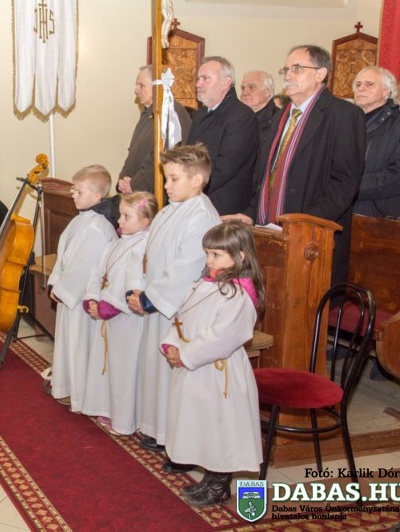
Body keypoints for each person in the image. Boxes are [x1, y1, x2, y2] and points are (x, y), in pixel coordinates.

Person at [226, 45, 366, 285]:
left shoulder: (343, 114)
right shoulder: (282, 115)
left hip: (312, 241)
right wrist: (251, 213)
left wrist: (304, 225)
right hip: (269, 232)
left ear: (320, 73)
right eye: (286, 69)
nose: (288, 75)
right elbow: (266, 175)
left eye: (297, 69)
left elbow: (344, 184)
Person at [160, 221, 264, 507]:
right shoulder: (206, 284)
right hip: (197, 367)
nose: (209, 261)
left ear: (240, 256)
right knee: (204, 424)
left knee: (220, 426)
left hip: (220, 371)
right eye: (207, 253)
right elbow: (182, 316)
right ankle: (210, 476)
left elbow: (223, 336)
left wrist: (186, 354)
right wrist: (172, 343)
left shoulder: (239, 294)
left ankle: (219, 484)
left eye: (216, 255)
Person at [126, 143, 220, 452]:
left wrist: (150, 298)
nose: (166, 185)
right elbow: (146, 254)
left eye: (173, 178)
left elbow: (187, 267)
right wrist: (137, 289)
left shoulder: (202, 216)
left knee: (175, 378)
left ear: (197, 180)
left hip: (180, 310)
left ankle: (180, 442)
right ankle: (159, 429)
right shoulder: (169, 210)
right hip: (158, 303)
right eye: (166, 178)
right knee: (157, 373)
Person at [81, 191, 157, 435]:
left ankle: (125, 418)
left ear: (145, 221)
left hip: (127, 319)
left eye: (126, 216)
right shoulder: (115, 243)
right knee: (107, 363)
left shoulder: (144, 246)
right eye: (120, 215)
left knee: (124, 368)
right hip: (107, 315)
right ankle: (107, 406)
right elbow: (97, 273)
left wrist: (111, 305)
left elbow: (134, 281)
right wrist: (92, 297)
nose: (119, 220)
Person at [48, 165, 118, 410]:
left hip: (83, 299)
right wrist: (56, 281)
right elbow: (64, 255)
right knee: (70, 343)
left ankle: (81, 395)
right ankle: (67, 386)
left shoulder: (97, 227)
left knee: (80, 345)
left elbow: (84, 266)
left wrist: (62, 288)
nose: (73, 195)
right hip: (71, 295)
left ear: (97, 196)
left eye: (79, 191)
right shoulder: (82, 220)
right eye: (73, 190)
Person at [186, 57, 258, 215]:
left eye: (205, 78)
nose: (198, 84)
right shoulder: (200, 115)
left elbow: (225, 166)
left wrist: (189, 188)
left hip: (222, 208)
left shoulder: (241, 116)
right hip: (195, 200)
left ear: (226, 83)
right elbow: (188, 156)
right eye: (198, 79)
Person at [352, 66, 400, 221]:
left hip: (381, 215)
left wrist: (349, 187)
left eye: (370, 84)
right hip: (344, 207)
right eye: (358, 84)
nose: (361, 88)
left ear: (386, 91)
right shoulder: (347, 120)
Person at [117, 66, 192, 195]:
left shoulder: (171, 115)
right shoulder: (147, 114)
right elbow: (133, 153)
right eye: (137, 85)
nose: (136, 90)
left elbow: (162, 157)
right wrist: (123, 180)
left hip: (158, 193)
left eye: (141, 86)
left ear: (158, 86)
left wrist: (135, 185)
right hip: (137, 192)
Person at [239, 70, 280, 147]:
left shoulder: (280, 120)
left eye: (251, 87)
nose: (244, 93)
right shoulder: (236, 117)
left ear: (267, 91)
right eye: (243, 88)